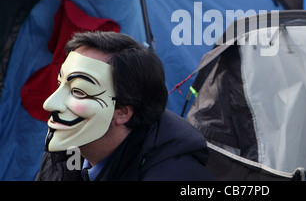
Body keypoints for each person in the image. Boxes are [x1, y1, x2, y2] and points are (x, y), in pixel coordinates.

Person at [35, 31, 212, 181]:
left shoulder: (174, 175)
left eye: (79, 92)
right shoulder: (64, 154)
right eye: (60, 84)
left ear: (122, 112)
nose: (49, 103)